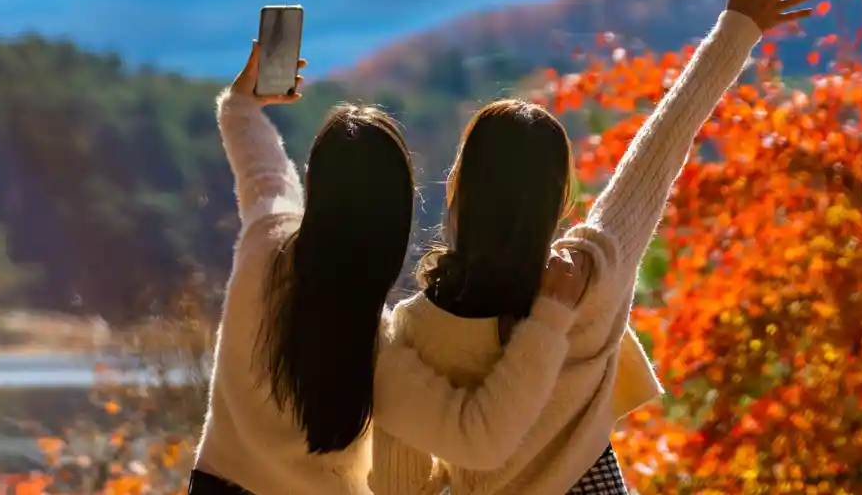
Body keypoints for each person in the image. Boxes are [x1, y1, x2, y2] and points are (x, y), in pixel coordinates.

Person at [368, 0, 819, 495]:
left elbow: (402, 483)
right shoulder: (588, 275)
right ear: (561, 198)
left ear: (459, 187)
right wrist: (737, 29)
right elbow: (661, 148)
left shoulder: (417, 331)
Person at [192, 39, 592, 495]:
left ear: (315, 183)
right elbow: (480, 439)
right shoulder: (372, 348)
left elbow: (262, 171)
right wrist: (551, 318)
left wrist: (241, 104)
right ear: (397, 222)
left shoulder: (266, 242)